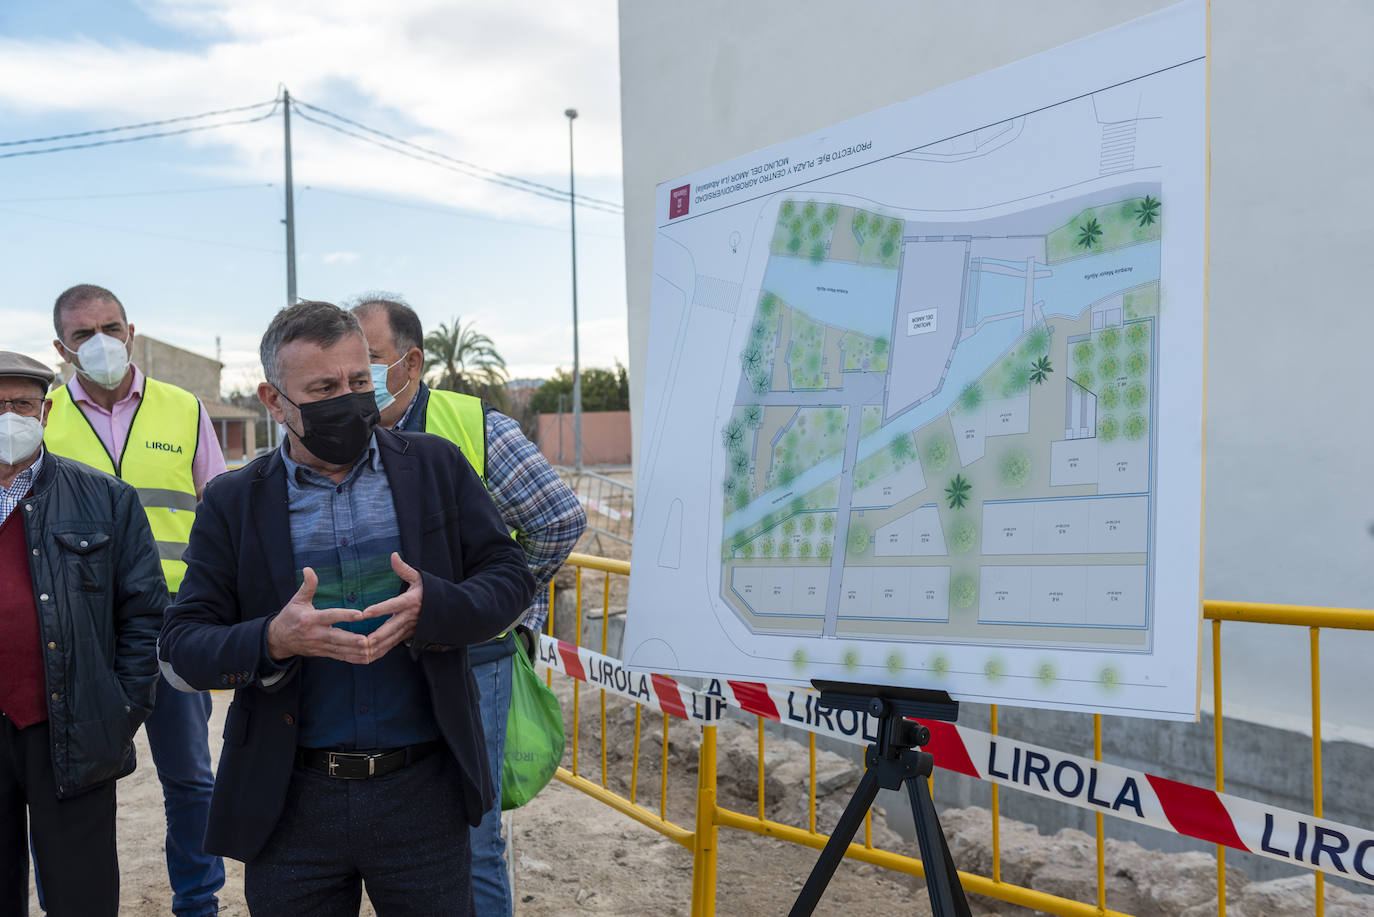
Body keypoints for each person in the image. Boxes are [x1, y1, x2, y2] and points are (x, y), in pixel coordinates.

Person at [159, 301, 535, 916]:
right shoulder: (233, 503)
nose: (350, 398)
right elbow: (181, 647)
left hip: (424, 798)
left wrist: (435, 607)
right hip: (290, 804)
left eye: (361, 381)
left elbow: (509, 575)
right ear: (274, 401)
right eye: (325, 387)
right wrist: (272, 639)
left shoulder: (435, 467)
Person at [351, 294, 586, 916]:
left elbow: (558, 519)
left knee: (472, 837)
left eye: (370, 360)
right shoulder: (344, 433)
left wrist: (497, 605)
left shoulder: (474, 425)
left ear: (411, 363)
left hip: (472, 661)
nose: (358, 377)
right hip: (378, 662)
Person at [43, 283, 225, 917]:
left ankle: (198, 903)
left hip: (172, 624)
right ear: (62, 348)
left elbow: (219, 512)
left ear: (132, 331)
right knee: (72, 778)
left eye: (111, 327)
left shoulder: (184, 409)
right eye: (84, 333)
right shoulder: (41, 419)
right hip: (73, 631)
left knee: (191, 778)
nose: (102, 342)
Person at [0, 351, 164, 916]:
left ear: (44, 412)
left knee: (82, 897)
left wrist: (120, 709)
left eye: (20, 404)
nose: (8, 417)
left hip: (71, 727)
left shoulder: (105, 498)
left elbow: (144, 613)